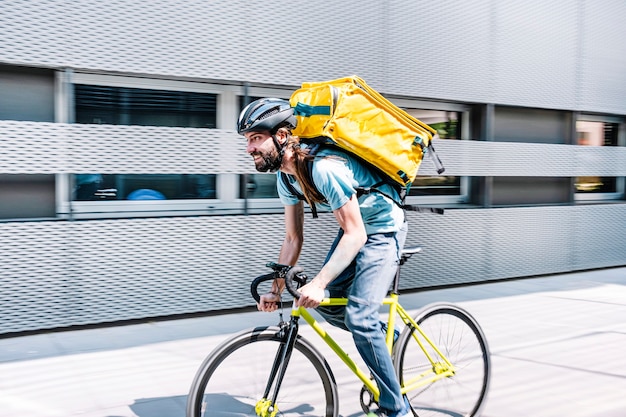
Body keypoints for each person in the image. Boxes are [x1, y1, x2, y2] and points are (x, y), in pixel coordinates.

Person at [238, 98, 411, 417]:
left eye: (255, 138)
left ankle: (396, 408)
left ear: (280, 136)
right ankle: (387, 340)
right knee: (327, 307)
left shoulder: (323, 167)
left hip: (384, 230)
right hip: (355, 230)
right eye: (248, 140)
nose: (249, 148)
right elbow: (293, 238)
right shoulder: (286, 178)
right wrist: (276, 292)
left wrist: (318, 282)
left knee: (359, 316)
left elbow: (356, 234)